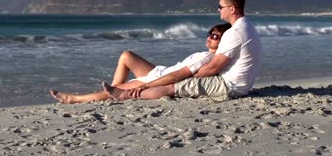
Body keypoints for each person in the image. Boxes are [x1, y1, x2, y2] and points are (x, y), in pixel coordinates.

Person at [103, 0, 263, 102]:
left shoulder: (234, 32)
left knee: (174, 85)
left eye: (221, 7)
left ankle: (125, 95)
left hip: (230, 87)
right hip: (240, 85)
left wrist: (187, 76)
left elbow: (212, 68)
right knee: (177, 81)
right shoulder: (247, 26)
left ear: (232, 9)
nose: (218, 10)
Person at [50, 23, 231, 104]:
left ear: (223, 41)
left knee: (122, 85)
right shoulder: (206, 55)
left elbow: (177, 76)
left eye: (215, 36)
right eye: (210, 33)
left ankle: (74, 99)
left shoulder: (206, 59)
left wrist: (148, 85)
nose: (210, 37)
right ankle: (112, 92)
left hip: (160, 78)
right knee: (126, 56)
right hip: (159, 71)